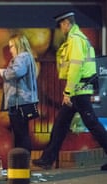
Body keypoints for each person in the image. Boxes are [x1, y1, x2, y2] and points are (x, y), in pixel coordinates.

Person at [32, 11, 107, 170]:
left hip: (78, 90)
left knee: (92, 124)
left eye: (61, 25)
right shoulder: (77, 39)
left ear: (66, 23)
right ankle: (47, 159)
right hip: (78, 89)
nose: (60, 29)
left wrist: (68, 92)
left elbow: (75, 67)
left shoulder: (75, 40)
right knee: (60, 124)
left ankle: (47, 159)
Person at [0, 34, 39, 154]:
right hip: (24, 100)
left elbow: (17, 72)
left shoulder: (21, 57)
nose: (10, 50)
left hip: (19, 101)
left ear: (18, 46)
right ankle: (23, 160)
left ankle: (21, 161)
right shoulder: (27, 58)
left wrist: (1, 72)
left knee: (20, 134)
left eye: (12, 46)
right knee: (22, 132)